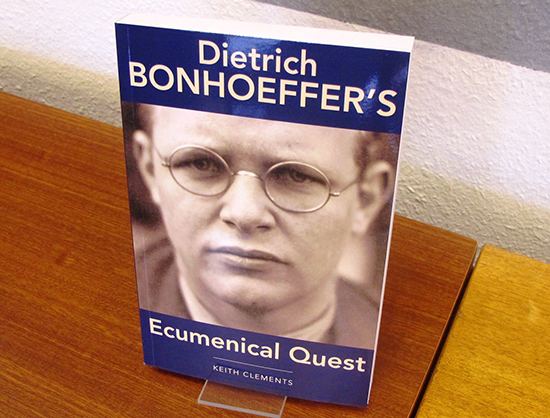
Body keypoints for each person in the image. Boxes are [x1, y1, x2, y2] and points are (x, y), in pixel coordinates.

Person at [127, 103, 397, 350]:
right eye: (202, 164)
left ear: (365, 199)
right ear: (150, 169)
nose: (244, 214)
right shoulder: (111, 315)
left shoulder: (393, 349)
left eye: (296, 175)